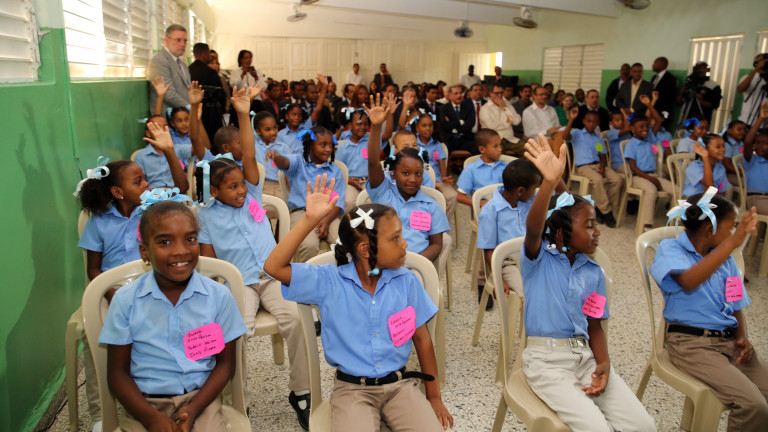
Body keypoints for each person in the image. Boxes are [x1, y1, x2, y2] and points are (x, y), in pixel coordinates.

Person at [264, 175, 453, 431]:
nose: (405, 243)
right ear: (366, 250)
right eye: (395, 238)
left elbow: (422, 339)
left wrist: (434, 396)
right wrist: (309, 220)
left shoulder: (406, 280)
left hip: (400, 386)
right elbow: (273, 267)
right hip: (352, 390)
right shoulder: (328, 281)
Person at [520, 134, 657, 432]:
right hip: (546, 361)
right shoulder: (539, 259)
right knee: (597, 428)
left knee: (644, 425)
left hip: (585, 358)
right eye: (590, 225)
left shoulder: (593, 272)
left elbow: (595, 324)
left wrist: (604, 363)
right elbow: (534, 228)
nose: (598, 232)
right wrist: (550, 183)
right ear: (561, 234)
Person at [196, 88, 311, 429]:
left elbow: (248, 153)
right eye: (232, 187)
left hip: (272, 275)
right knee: (236, 334)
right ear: (214, 191)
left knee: (297, 320)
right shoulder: (205, 216)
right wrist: (219, 293)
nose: (241, 190)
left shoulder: (253, 194)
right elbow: (211, 265)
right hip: (239, 284)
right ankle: (238, 402)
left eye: (242, 184)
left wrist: (242, 114)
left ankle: (301, 392)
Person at [98, 194, 247, 432]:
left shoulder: (218, 297)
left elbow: (226, 365)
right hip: (145, 404)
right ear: (144, 252)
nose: (180, 251)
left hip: (201, 400)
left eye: (190, 239)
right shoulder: (126, 301)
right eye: (165, 242)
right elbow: (117, 374)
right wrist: (150, 419)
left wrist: (194, 409)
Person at [651, 191, 766, 432]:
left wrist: (742, 339)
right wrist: (732, 244)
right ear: (709, 230)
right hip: (692, 344)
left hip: (728, 343)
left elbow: (735, 304)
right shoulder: (671, 248)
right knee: (753, 405)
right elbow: (689, 280)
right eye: (730, 227)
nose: (733, 234)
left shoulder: (727, 260)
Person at [75, 157, 151, 432]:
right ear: (118, 192)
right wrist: (111, 294)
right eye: (138, 181)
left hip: (148, 285)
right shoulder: (98, 222)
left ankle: (152, 398)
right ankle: (101, 413)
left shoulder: (150, 213)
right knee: (96, 334)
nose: (146, 184)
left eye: (144, 178)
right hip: (110, 289)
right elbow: (94, 269)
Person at [365, 97, 452, 274]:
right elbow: (373, 162)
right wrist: (376, 127)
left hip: (415, 267)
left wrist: (414, 264)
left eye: (418, 174)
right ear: (392, 173)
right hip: (382, 265)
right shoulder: (384, 193)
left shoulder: (431, 205)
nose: (413, 179)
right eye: (405, 173)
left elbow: (436, 244)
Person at [268, 125, 345, 262]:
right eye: (323, 145)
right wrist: (277, 157)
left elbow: (338, 203)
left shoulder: (335, 171)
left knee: (343, 242)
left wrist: (326, 221)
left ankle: (337, 273)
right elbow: (284, 162)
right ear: (310, 146)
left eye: (330, 145)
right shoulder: (299, 162)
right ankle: (304, 274)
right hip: (301, 213)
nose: (328, 149)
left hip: (328, 215)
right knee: (308, 245)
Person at [477, 159, 542, 298]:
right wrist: (499, 279)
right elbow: (489, 250)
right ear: (521, 191)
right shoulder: (490, 211)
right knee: (530, 295)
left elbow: (561, 196)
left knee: (555, 285)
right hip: (509, 263)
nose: (535, 192)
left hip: (534, 257)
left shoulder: (531, 200)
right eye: (534, 188)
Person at [623, 96, 675, 231]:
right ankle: (647, 226)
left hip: (653, 175)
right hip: (638, 177)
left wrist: (649, 104)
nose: (645, 129)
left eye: (647, 126)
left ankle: (675, 221)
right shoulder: (631, 145)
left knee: (677, 190)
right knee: (651, 190)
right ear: (632, 128)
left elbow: (658, 120)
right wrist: (652, 179)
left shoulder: (649, 139)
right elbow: (633, 168)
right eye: (641, 127)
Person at [564, 109, 623, 227]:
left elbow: (602, 154)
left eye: (595, 122)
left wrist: (602, 165)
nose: (591, 124)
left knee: (618, 180)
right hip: (584, 166)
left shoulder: (598, 138)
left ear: (598, 123)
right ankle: (607, 211)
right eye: (589, 121)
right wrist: (571, 119)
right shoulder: (577, 133)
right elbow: (565, 136)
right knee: (598, 179)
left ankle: (600, 209)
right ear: (584, 121)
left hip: (598, 165)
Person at [412, 111, 458, 219]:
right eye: (424, 125)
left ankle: (441, 224)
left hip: (437, 181)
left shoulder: (437, 145)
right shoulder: (413, 143)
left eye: (430, 125)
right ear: (417, 127)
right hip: (420, 182)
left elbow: (442, 165)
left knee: (452, 195)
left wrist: (443, 179)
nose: (427, 128)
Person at [134, 120, 192, 192]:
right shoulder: (141, 156)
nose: (161, 131)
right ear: (148, 133)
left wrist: (169, 150)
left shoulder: (177, 149)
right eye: (157, 127)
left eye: (165, 127)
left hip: (175, 191)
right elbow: (141, 182)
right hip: (152, 193)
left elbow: (182, 188)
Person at [456, 129, 507, 208]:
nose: (500, 149)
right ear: (482, 149)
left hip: (504, 207)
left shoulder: (506, 167)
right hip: (484, 209)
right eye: (495, 146)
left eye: (500, 145)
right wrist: (479, 203)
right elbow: (459, 196)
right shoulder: (471, 169)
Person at [148, 24, 190, 113]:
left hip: (183, 115)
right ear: (166, 40)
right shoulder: (159, 60)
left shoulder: (182, 64)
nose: (182, 44)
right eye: (178, 40)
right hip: (167, 116)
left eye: (185, 41)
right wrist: (190, 108)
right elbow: (169, 94)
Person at [335, 110, 372, 212]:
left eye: (366, 124)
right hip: (350, 182)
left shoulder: (370, 141)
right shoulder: (344, 147)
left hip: (368, 181)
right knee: (348, 201)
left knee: (370, 201)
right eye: (359, 124)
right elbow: (337, 170)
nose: (363, 127)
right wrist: (349, 180)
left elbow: (386, 135)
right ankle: (350, 222)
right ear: (350, 124)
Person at [188, 43, 225, 144]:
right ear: (204, 54)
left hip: (193, 110)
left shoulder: (188, 70)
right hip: (210, 113)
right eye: (209, 53)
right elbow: (220, 94)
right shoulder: (210, 72)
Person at [480, 82, 523, 157]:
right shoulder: (485, 108)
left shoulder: (507, 105)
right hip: (493, 140)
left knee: (529, 150)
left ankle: (517, 165)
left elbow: (516, 121)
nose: (500, 96)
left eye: (501, 93)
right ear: (490, 93)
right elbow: (492, 127)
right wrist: (508, 123)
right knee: (497, 153)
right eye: (497, 93)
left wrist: (505, 108)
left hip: (510, 139)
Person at [677, 62, 721, 127]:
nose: (701, 70)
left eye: (703, 68)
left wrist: (701, 102)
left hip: (702, 118)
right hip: (687, 117)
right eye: (699, 68)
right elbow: (679, 102)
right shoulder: (690, 83)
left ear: (707, 70)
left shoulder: (713, 85)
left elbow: (715, 104)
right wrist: (682, 94)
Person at [743, 103, 768, 215]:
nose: (758, 146)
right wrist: (761, 118)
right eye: (757, 143)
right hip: (755, 198)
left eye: (764, 143)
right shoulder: (752, 160)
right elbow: (748, 141)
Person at [438, 84, 477, 154]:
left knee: (478, 149)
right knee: (442, 151)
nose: (459, 95)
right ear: (450, 96)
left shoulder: (468, 107)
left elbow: (470, 124)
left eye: (460, 93)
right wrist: (460, 122)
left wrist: (455, 130)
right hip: (450, 139)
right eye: (456, 93)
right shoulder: (443, 108)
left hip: (466, 138)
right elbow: (445, 125)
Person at [737, 54, 768, 127]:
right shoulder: (748, 78)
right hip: (745, 121)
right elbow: (740, 89)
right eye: (760, 62)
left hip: (764, 124)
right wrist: (756, 70)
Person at [651, 57, 677, 129]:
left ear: (663, 65)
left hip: (662, 111)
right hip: (653, 110)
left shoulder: (670, 79)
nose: (653, 65)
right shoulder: (654, 77)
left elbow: (670, 98)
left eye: (655, 63)